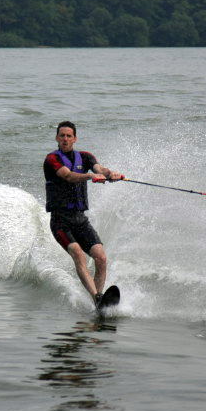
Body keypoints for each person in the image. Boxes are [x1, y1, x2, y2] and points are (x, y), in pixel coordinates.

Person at [43, 121, 124, 306]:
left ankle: (99, 301)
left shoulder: (85, 157)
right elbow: (68, 176)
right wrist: (90, 177)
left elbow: (99, 169)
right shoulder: (51, 159)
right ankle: (96, 297)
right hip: (60, 221)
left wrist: (110, 174)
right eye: (61, 135)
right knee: (78, 253)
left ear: (75, 138)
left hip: (80, 219)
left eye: (68, 135)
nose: (65, 139)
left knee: (101, 258)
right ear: (57, 138)